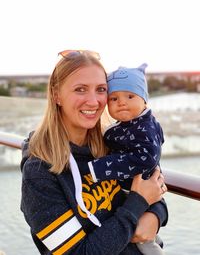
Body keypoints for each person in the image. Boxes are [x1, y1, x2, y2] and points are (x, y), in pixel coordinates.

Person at [20, 50, 168, 255]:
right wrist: (136, 207)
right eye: (80, 89)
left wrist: (156, 215)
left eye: (101, 89)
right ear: (56, 95)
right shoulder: (39, 173)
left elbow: (152, 183)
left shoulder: (112, 142)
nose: (93, 101)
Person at [87, 64, 165, 254]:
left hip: (138, 191)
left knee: (145, 242)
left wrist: (99, 168)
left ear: (144, 101)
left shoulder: (144, 127)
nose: (121, 103)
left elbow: (146, 159)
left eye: (130, 96)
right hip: (132, 194)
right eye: (114, 98)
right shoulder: (128, 125)